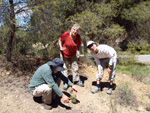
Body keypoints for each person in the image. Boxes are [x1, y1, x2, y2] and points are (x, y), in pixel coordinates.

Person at [58, 23, 84, 90]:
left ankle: (77, 80)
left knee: (75, 66)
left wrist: (78, 50)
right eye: (74, 30)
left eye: (77, 30)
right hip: (64, 52)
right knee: (65, 67)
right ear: (71, 29)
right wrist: (61, 47)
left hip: (73, 53)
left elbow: (78, 45)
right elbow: (60, 40)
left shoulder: (78, 36)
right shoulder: (66, 34)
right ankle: (66, 81)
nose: (75, 31)